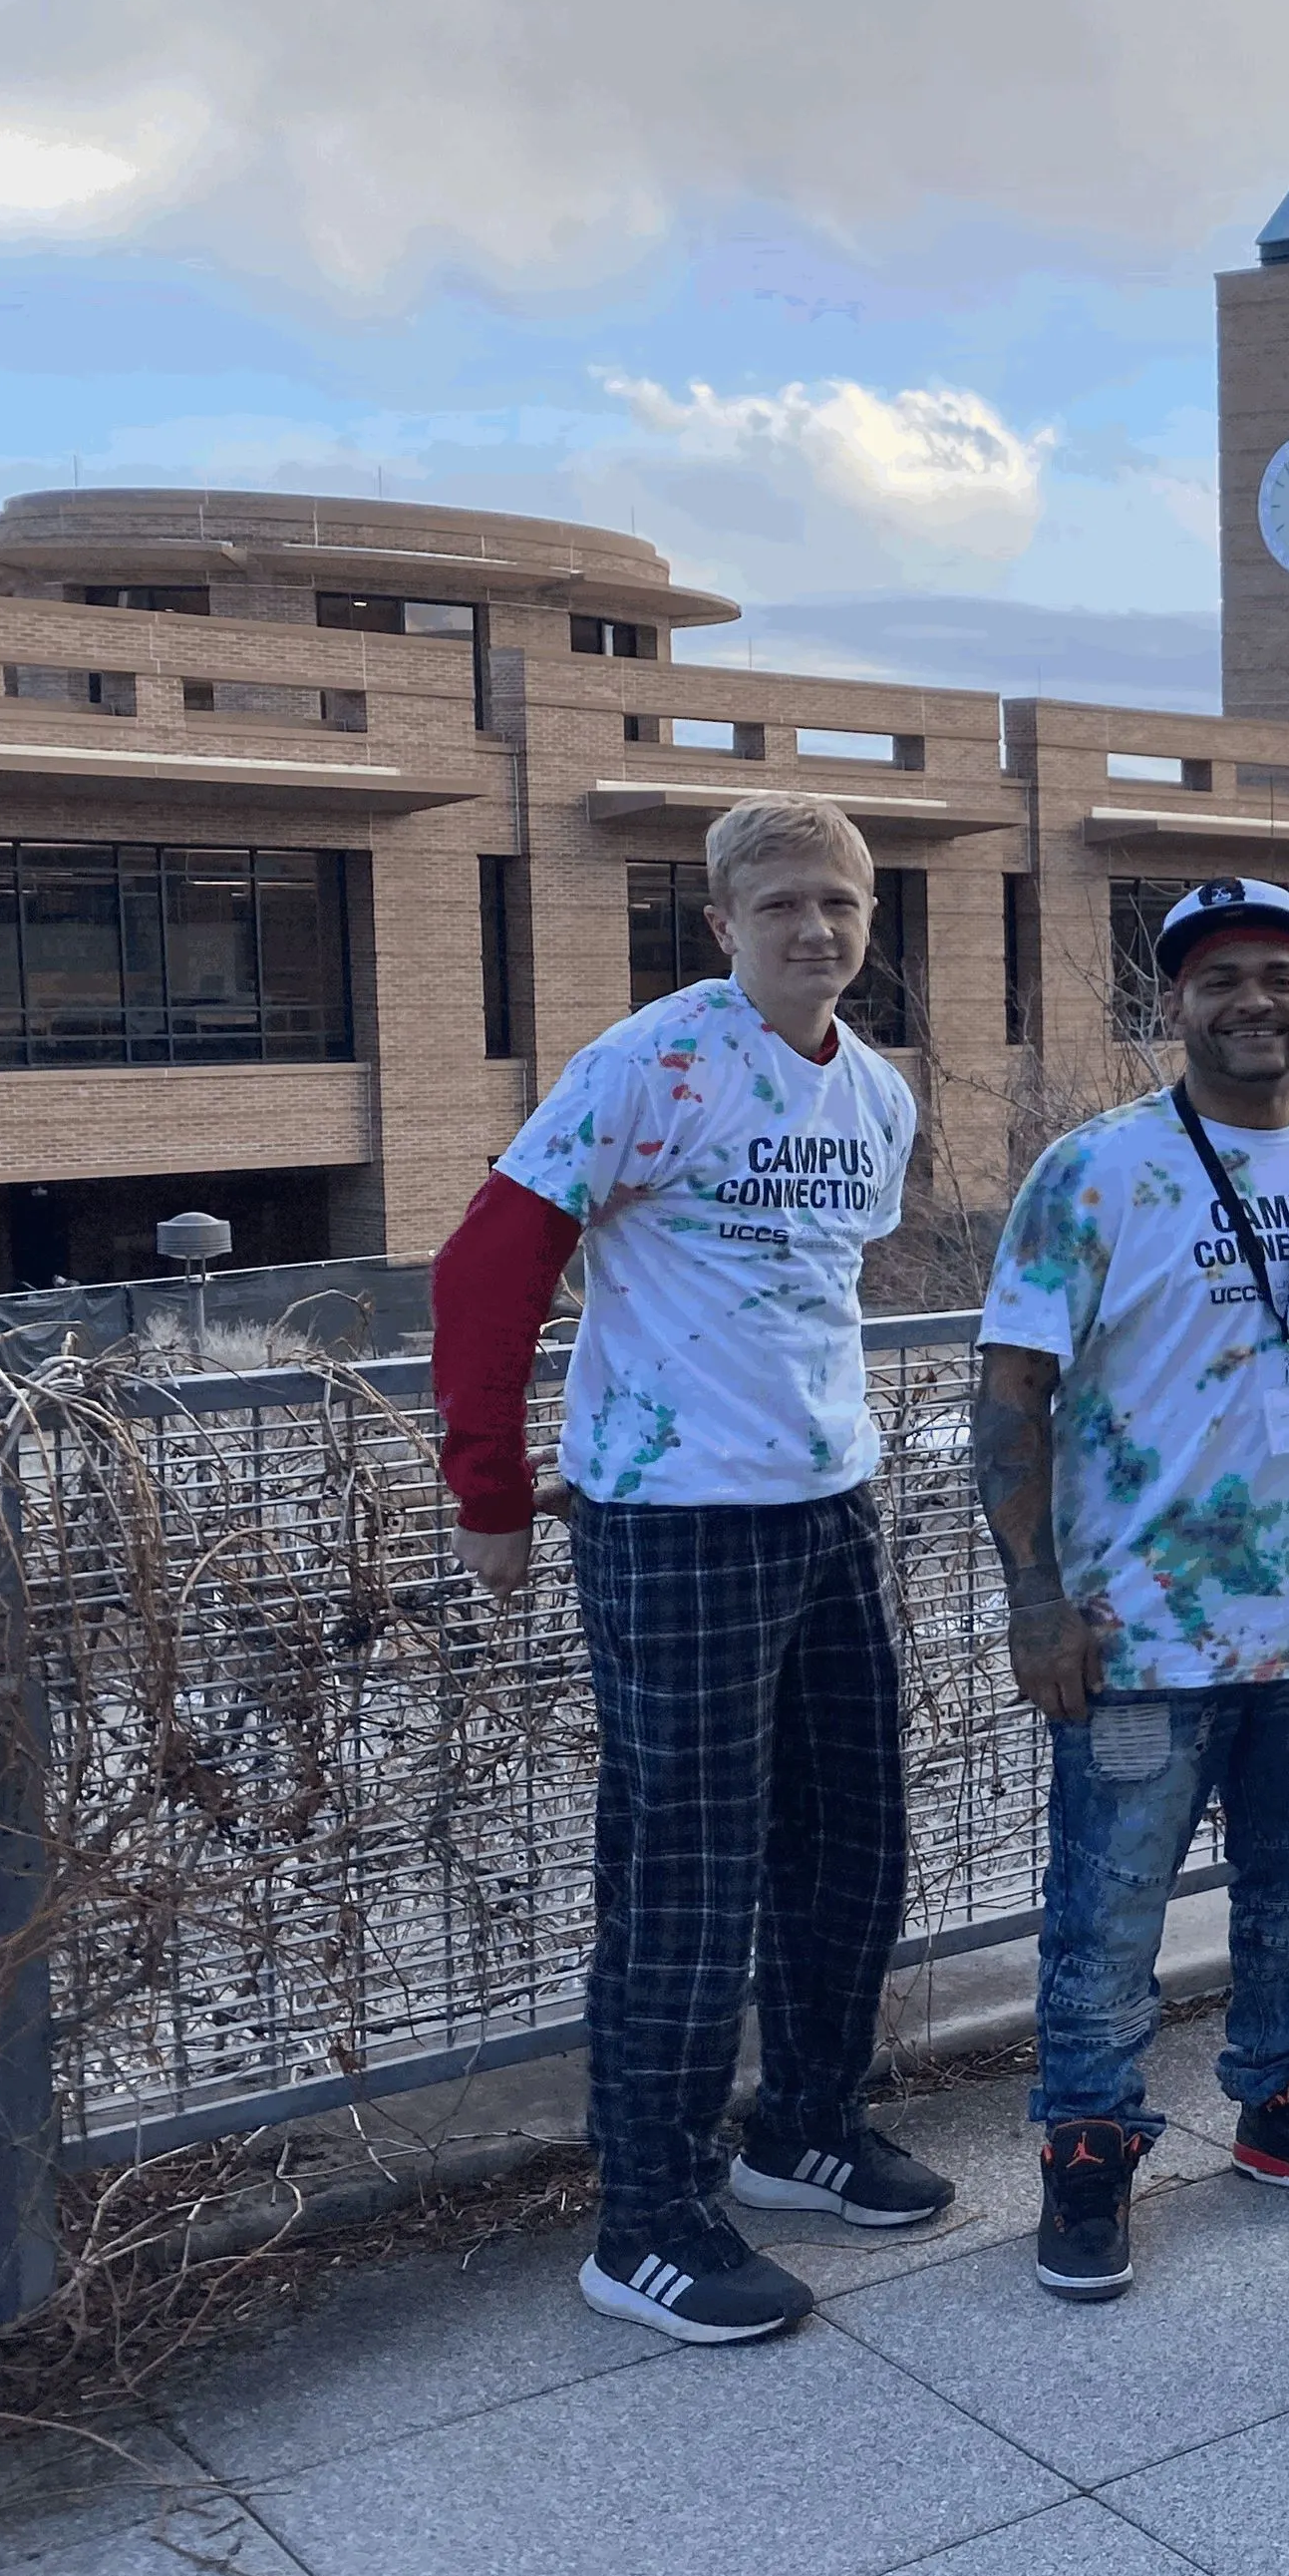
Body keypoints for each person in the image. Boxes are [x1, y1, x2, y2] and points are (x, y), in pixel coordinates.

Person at [432, 793, 949, 2345]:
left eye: (842, 903)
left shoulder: (876, 1094)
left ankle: (803, 2125)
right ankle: (647, 2215)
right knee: (685, 1873)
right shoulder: (654, 1063)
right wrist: (493, 1491)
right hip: (673, 1515)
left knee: (854, 1839)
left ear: (870, 921)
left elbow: (812, 1289)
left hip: (827, 1502)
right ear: (721, 923)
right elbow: (486, 1265)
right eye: (781, 903)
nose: (815, 929)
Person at [973, 879, 1289, 2301]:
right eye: (1218, 978)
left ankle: (1285, 2103)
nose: (1252, 1002)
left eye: (1277, 977)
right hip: (1135, 1632)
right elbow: (1012, 1390)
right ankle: (1090, 2143)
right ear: (1170, 1005)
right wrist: (1032, 1595)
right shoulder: (1095, 1171)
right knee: (1107, 1908)